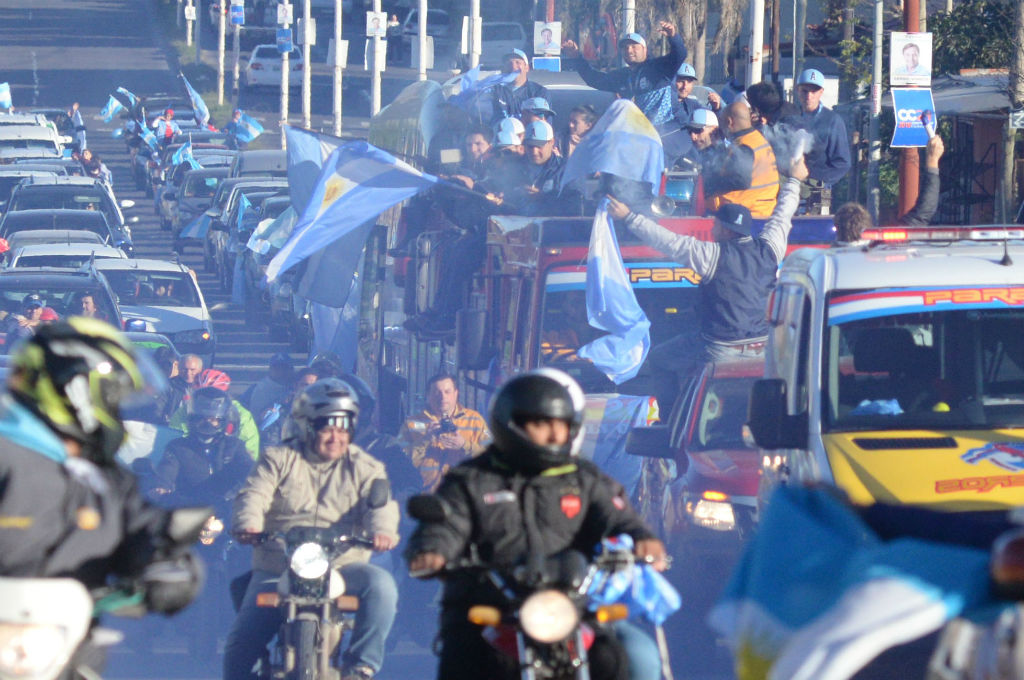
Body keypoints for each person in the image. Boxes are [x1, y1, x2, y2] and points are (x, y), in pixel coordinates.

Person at [405, 369, 668, 680]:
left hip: (571, 606)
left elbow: (618, 516)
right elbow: (446, 523)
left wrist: (642, 538)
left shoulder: (583, 479)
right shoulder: (472, 479)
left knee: (638, 658)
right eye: (544, 424)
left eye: (562, 424)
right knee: (460, 659)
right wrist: (432, 549)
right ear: (512, 425)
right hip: (490, 607)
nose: (556, 434)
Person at [0, 318, 202, 676]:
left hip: (64, 645)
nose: (115, 412)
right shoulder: (8, 456)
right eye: (110, 398)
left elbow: (139, 524)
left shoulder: (104, 477)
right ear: (72, 393)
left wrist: (168, 561)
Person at [226, 378, 400, 680]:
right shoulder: (277, 459)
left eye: (343, 427)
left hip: (343, 564)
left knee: (382, 585)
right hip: (279, 564)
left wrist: (381, 532)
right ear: (307, 425)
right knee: (240, 644)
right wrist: (248, 524)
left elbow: (380, 505)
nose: (335, 436)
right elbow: (254, 494)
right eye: (326, 427)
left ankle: (362, 665)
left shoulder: (367, 467)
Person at [606, 155, 808, 411]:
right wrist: (793, 180)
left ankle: (670, 421)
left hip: (719, 349)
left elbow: (668, 242)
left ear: (725, 229)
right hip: (763, 346)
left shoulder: (712, 255)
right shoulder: (770, 248)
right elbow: (783, 215)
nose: (712, 230)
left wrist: (629, 217)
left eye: (716, 225)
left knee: (659, 359)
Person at [563, 22, 686, 125]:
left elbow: (679, 55)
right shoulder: (622, 76)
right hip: (641, 134)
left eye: (634, 46)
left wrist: (673, 37)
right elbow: (594, 79)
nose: (629, 50)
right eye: (625, 48)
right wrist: (577, 58)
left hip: (668, 132)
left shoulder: (658, 67)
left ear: (644, 49)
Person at [153, 386, 253, 509]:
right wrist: (161, 488)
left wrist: (246, 488)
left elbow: (248, 467)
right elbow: (166, 472)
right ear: (192, 418)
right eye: (201, 419)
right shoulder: (178, 447)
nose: (207, 424)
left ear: (222, 420)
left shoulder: (234, 446)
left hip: (227, 508)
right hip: (189, 508)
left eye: (213, 420)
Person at [833, 134, 944, 243]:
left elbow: (924, 212)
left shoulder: (827, 254)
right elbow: (924, 211)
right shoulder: (885, 245)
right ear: (868, 224)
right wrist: (932, 159)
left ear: (837, 231)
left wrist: (932, 162)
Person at [399, 373, 489, 492]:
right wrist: (426, 440)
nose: (443, 397)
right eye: (437, 392)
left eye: (447, 392)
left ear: (456, 393)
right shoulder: (412, 424)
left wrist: (464, 445)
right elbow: (399, 462)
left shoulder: (475, 420)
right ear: (428, 395)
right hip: (425, 496)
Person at [706, 101, 780, 218]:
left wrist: (713, 181)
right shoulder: (756, 140)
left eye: (722, 123)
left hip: (745, 216)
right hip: (759, 212)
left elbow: (740, 180)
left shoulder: (744, 146)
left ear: (729, 122)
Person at [169, 368, 260, 459]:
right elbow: (174, 436)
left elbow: (249, 450)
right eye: (201, 399)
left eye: (213, 400)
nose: (206, 405)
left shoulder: (241, 416)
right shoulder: (185, 411)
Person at [796, 69, 851, 198]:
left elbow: (842, 163)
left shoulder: (832, 120)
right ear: (798, 90)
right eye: (805, 91)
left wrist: (819, 181)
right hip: (791, 186)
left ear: (821, 92)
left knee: (819, 211)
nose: (809, 96)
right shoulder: (790, 117)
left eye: (814, 91)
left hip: (819, 190)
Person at [490, 49, 550, 121]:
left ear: (527, 68)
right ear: (502, 69)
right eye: (508, 63)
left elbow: (543, 124)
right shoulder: (493, 91)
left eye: (518, 62)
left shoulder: (539, 92)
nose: (513, 67)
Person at [244, 352, 295, 423]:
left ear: (292, 370)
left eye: (284, 368)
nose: (281, 372)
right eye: (276, 368)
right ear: (270, 370)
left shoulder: (299, 385)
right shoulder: (261, 389)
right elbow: (256, 418)